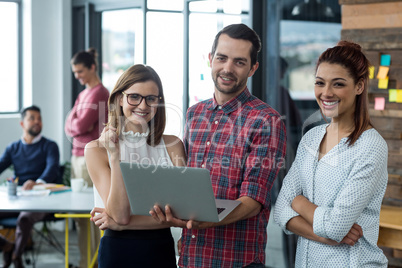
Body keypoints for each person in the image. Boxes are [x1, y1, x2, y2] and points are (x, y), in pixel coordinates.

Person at [151, 23, 287, 267]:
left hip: (237, 260)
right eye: (222, 58)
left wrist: (206, 221)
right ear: (210, 59)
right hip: (192, 256)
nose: (227, 68)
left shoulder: (266, 121)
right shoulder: (195, 114)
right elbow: (188, 185)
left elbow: (253, 201)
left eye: (239, 62)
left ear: (253, 68)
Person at [273, 40, 388, 267]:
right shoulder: (311, 138)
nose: (326, 93)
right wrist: (324, 235)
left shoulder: (370, 147)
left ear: (359, 86)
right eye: (319, 83)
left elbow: (336, 226)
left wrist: (297, 201)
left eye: (338, 84)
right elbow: (280, 210)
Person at [86, 64, 186, 267]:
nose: (143, 106)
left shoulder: (173, 145)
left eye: (151, 98)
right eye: (134, 97)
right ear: (119, 99)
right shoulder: (96, 150)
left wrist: (122, 225)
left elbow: (179, 215)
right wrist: (115, 156)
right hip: (118, 251)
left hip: (161, 248)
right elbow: (120, 214)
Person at [64, 47, 109, 268]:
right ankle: (84, 261)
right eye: (74, 72)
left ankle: (91, 263)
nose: (77, 76)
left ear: (92, 67)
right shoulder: (83, 94)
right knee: (80, 217)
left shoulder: (100, 93)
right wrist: (75, 121)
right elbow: (71, 124)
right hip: (76, 158)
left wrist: (75, 120)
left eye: (80, 71)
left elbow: (79, 124)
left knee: (91, 216)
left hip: (89, 158)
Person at [0, 105, 60, 268]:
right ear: (22, 124)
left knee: (25, 218)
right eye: (32, 118)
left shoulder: (50, 146)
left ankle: (16, 256)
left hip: (42, 200)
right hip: (18, 199)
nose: (37, 122)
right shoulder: (13, 148)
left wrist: (37, 182)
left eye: (39, 119)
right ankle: (6, 245)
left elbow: (52, 169)